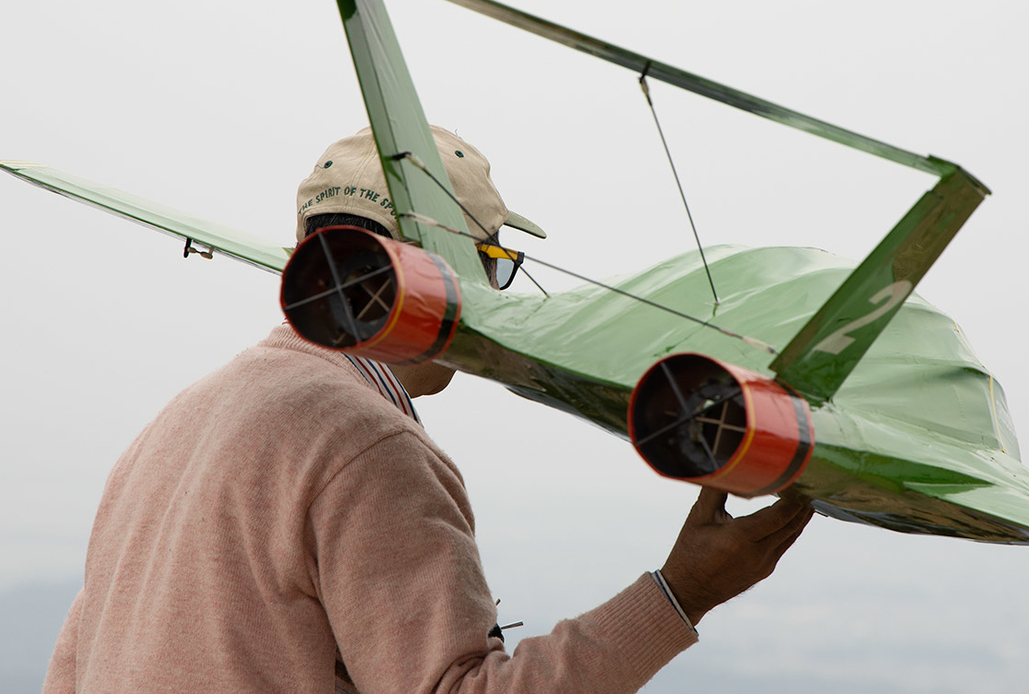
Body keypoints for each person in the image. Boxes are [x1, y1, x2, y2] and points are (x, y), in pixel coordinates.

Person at [44, 125, 813, 693]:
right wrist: (682, 592)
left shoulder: (173, 424)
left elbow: (71, 670)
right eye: (494, 263)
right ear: (437, 267)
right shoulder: (364, 445)